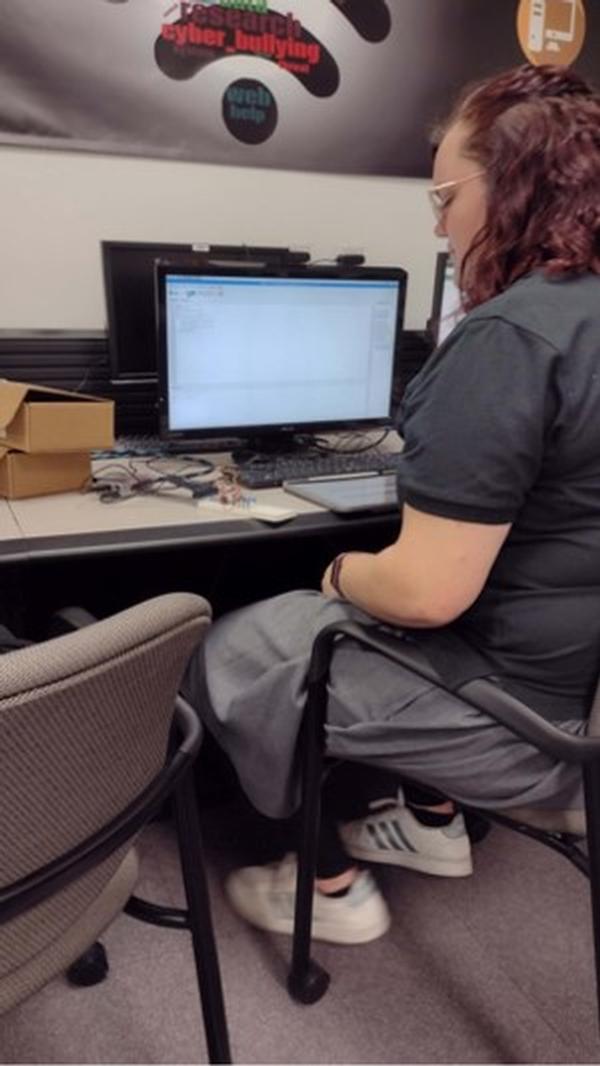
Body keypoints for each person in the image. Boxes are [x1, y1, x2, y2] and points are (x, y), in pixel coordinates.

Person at [183, 62, 600, 944]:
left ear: (515, 187)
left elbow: (424, 596)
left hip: (520, 720)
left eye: (445, 195)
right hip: (573, 690)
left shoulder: (515, 335)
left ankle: (325, 887)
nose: (442, 225)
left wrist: (338, 570)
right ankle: (433, 825)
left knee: (240, 645)